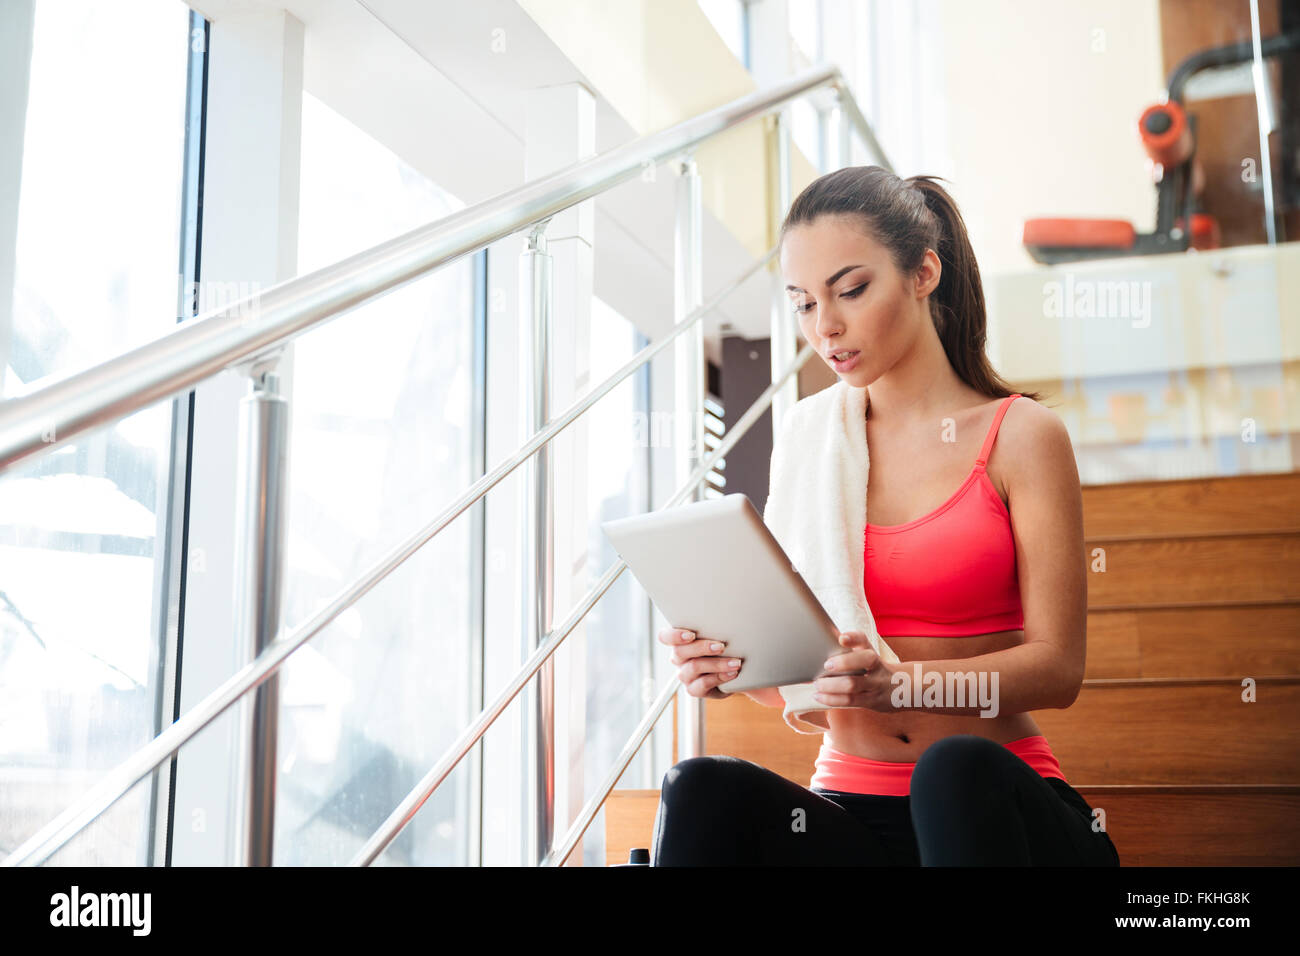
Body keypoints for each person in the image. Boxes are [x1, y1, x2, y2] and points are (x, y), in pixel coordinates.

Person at [651, 166, 1120, 866]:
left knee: (951, 771)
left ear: (923, 272)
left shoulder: (1021, 436)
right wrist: (730, 667)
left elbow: (1060, 671)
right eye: (804, 303)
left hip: (993, 810)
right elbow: (805, 669)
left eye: (851, 290)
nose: (825, 326)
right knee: (698, 789)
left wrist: (902, 683)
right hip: (850, 810)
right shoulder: (812, 442)